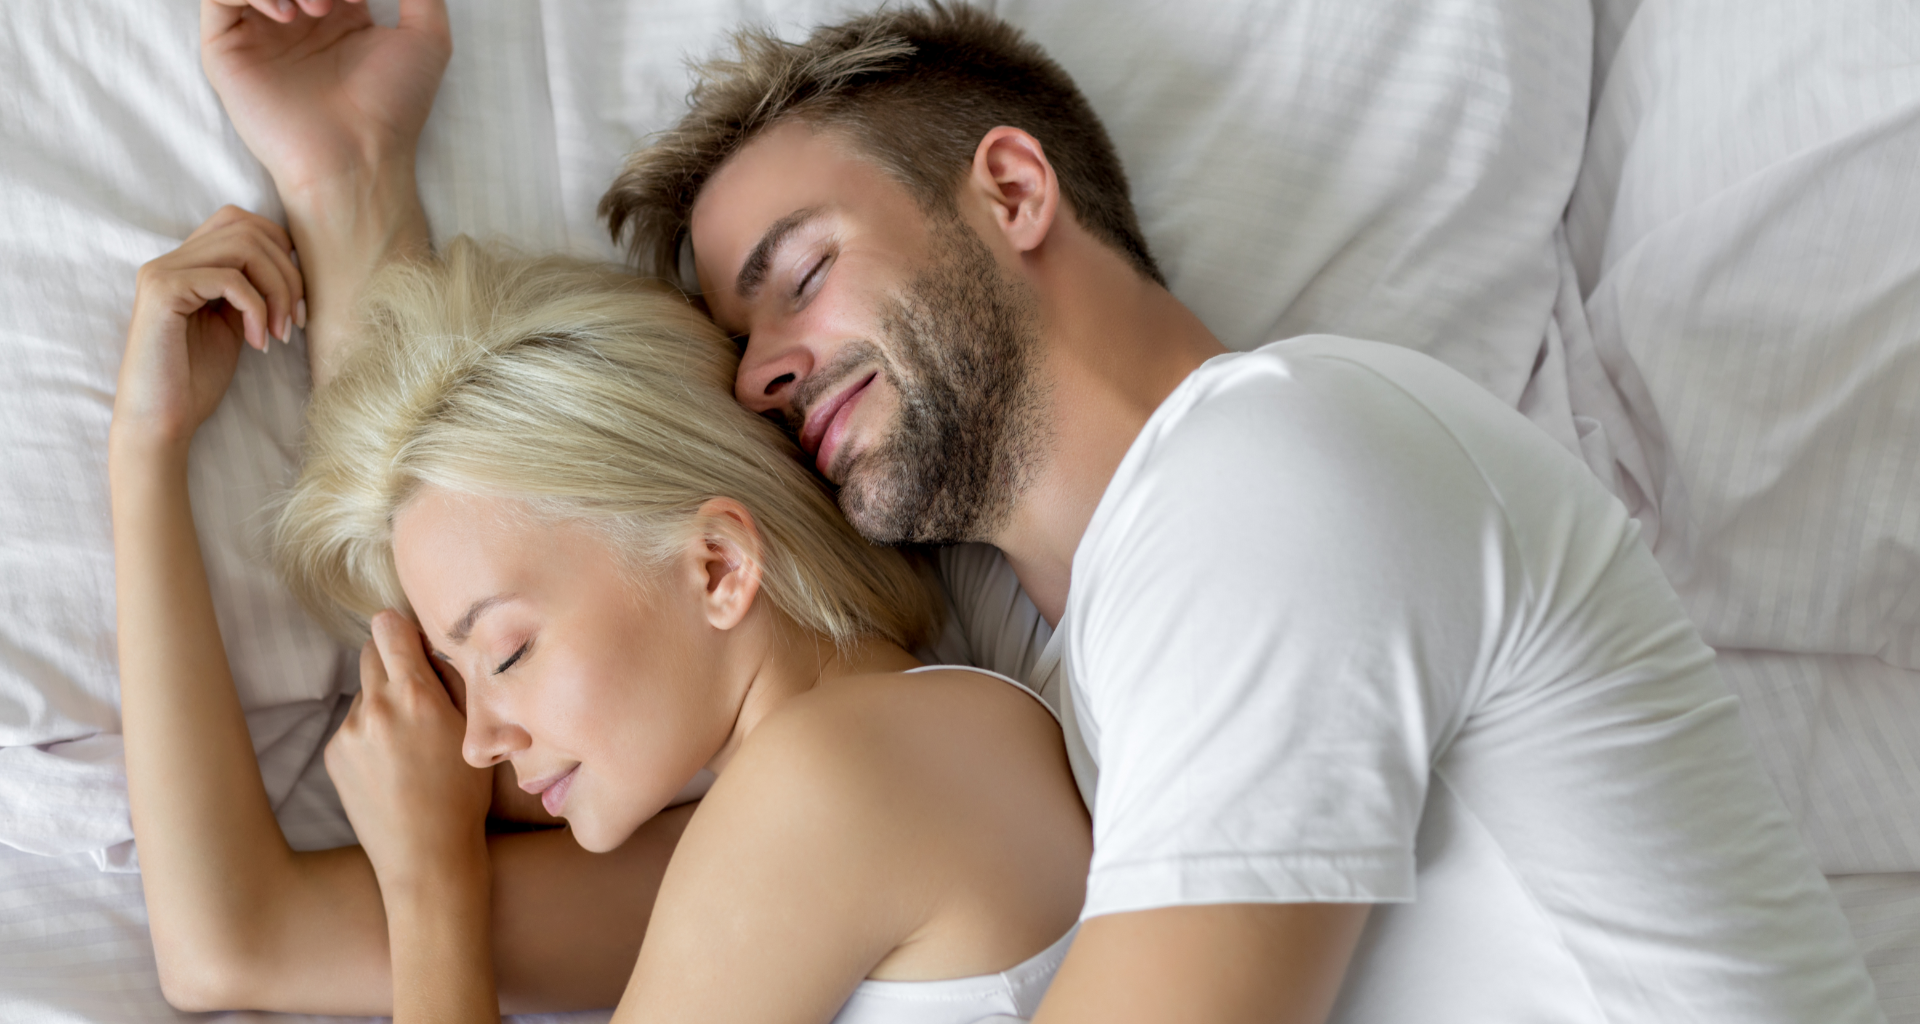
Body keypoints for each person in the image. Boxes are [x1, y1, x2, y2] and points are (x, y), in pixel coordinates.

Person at [183, 0, 1885, 1021]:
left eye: (797, 279)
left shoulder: (1275, 471)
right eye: (740, 356)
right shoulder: (1061, 720)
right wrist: (349, 184)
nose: (768, 369)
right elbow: (524, 531)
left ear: (1009, 188)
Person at [113, 208, 1093, 1022]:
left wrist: (428, 878)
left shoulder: (828, 785)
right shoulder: (816, 791)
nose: (477, 741)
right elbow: (231, 944)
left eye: (504, 653)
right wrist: (145, 451)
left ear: (716, 565)